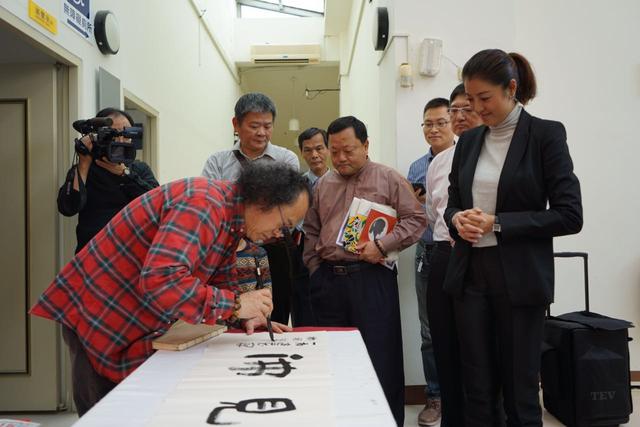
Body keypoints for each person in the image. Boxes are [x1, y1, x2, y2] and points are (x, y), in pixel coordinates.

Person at [30, 163, 309, 416]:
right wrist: (236, 305)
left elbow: (219, 278)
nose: (278, 236)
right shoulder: (204, 203)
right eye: (284, 226)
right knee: (108, 415)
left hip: (132, 315)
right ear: (263, 200)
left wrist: (243, 315)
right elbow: (161, 279)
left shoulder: (231, 220)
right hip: (100, 313)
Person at [444, 49, 583, 427]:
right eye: (470, 99)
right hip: (470, 274)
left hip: (519, 278)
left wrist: (498, 223)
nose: (476, 108)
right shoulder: (469, 142)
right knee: (477, 388)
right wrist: (458, 218)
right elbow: (453, 202)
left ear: (511, 88)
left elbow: (570, 215)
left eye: (484, 98)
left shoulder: (545, 135)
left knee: (520, 391)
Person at [303, 116, 426, 426]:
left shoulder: (388, 178)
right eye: (334, 151)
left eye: (349, 150)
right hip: (329, 281)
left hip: (373, 280)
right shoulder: (323, 184)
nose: (340, 158)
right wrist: (315, 269)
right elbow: (311, 230)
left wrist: (382, 245)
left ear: (366, 145)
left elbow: (416, 220)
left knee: (381, 360)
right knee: (334, 360)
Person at [201, 92, 300, 325]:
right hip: (230, 249)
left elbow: (287, 206)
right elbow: (210, 205)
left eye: (267, 126)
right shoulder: (217, 162)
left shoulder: (286, 159)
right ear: (236, 124)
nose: (262, 132)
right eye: (254, 126)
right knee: (229, 312)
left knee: (275, 311)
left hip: (275, 247)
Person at [408, 97, 454, 426]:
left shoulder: (468, 157)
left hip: (461, 252)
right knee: (429, 331)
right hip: (426, 253)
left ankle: (464, 395)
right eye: (428, 123)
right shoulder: (416, 168)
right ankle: (435, 396)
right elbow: (411, 214)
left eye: (440, 122)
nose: (433, 129)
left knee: (467, 328)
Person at [58, 107, 159, 253]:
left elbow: (156, 203)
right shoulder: (86, 168)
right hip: (93, 254)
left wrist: (125, 173)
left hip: (133, 254)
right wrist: (84, 164)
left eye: (126, 134)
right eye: (113, 134)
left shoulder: (139, 169)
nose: (121, 140)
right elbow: (67, 208)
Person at [291, 127, 331, 326]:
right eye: (308, 150)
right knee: (302, 306)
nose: (314, 155)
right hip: (300, 249)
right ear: (301, 152)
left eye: (319, 148)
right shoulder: (295, 185)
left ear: (328, 149)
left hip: (329, 251)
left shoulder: (341, 183)